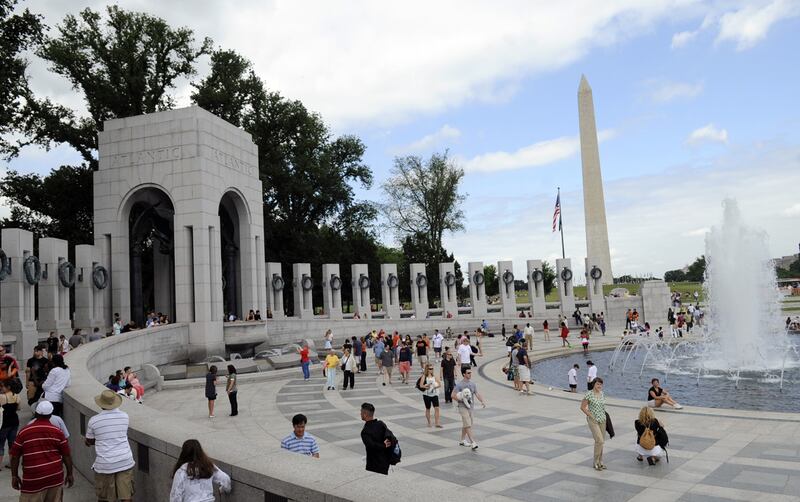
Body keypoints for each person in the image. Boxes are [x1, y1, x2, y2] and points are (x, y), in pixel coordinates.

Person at [10, 401, 74, 500]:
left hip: (33, 479)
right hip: (55, 477)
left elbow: (14, 456)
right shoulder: (58, 432)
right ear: (50, 415)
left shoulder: (24, 432)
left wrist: (14, 476)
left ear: (36, 413)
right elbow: (66, 455)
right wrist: (70, 474)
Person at [85, 390, 136, 502]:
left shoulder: (93, 421)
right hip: (125, 460)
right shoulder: (124, 416)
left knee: (105, 498)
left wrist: (92, 441)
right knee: (126, 496)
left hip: (105, 464)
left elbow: (89, 440)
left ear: (101, 404)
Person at [452, 367, 486, 450]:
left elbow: (476, 393)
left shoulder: (472, 384)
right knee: (468, 424)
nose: (470, 374)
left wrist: (482, 401)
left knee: (466, 424)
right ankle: (473, 442)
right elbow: (452, 395)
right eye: (468, 373)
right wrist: (461, 399)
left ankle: (462, 440)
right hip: (462, 407)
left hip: (470, 407)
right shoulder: (459, 385)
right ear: (464, 374)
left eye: (470, 372)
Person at [580, 377, 607, 471]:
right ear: (594, 384)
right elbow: (582, 407)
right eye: (597, 384)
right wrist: (591, 416)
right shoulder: (589, 394)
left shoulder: (602, 394)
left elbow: (603, 407)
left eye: (600, 384)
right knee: (599, 440)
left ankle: (600, 461)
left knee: (601, 442)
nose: (599, 386)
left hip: (603, 420)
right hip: (593, 420)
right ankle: (595, 462)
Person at [360, 403, 393, 475]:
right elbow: (389, 435)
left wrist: (384, 446)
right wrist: (386, 444)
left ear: (365, 414)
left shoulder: (365, 432)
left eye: (361, 412)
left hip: (373, 466)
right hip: (385, 463)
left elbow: (372, 446)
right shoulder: (381, 424)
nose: (360, 414)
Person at [0, 379, 20, 469]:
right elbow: (18, 408)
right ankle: (12, 464)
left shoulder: (2, 397)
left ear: (8, 387)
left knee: (1, 444)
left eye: (2, 386)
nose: (1, 388)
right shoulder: (17, 396)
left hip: (4, 424)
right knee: (12, 444)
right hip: (14, 422)